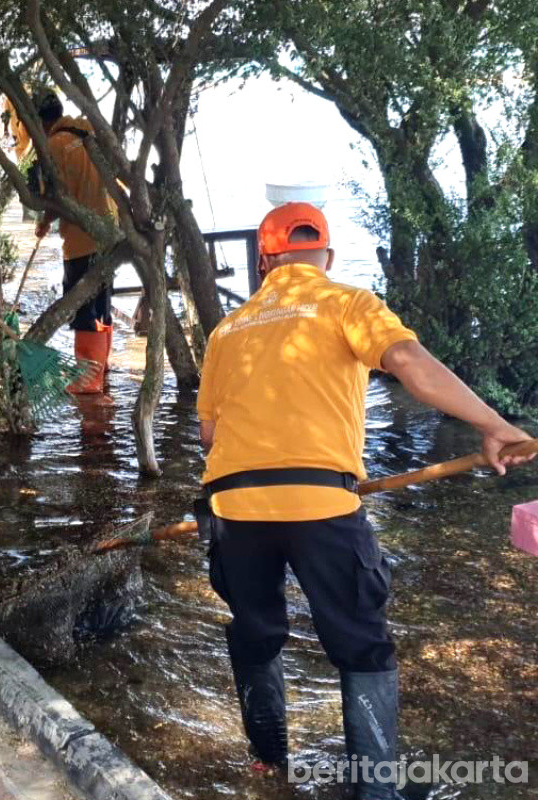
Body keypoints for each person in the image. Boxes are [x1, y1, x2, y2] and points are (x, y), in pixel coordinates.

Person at [196, 202, 534, 798]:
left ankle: (267, 762)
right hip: (321, 504)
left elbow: (210, 437)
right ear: (325, 257)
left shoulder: (226, 331)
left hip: (232, 506)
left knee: (255, 632)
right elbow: (408, 364)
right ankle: (374, 789)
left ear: (264, 262)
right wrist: (493, 425)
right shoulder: (348, 302)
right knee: (362, 647)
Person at [31, 91, 117, 394]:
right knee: (102, 303)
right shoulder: (87, 129)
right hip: (111, 233)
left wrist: (44, 221)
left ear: (40, 121)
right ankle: (102, 366)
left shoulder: (54, 146)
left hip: (81, 239)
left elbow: (58, 196)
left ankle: (88, 379)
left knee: (83, 308)